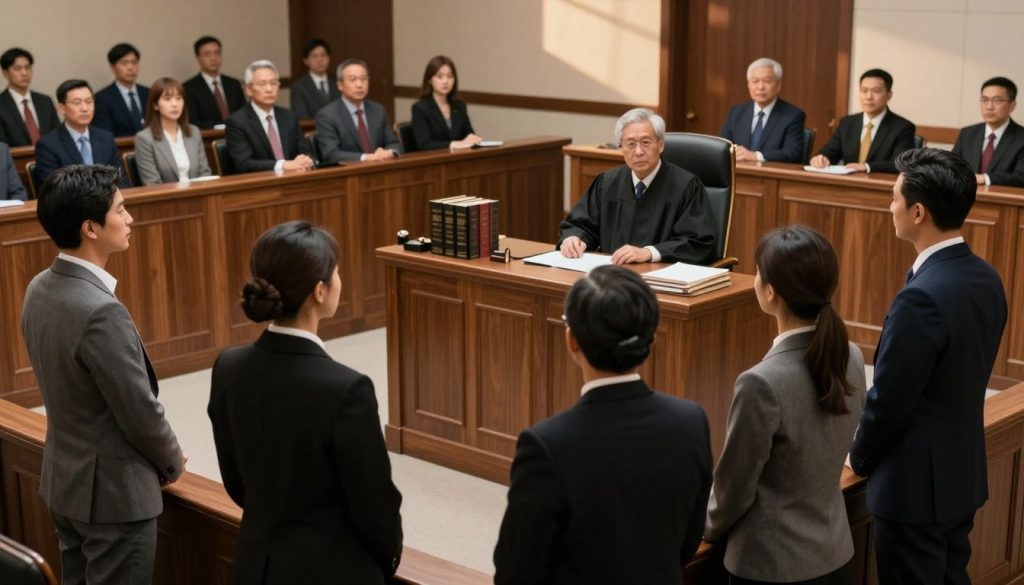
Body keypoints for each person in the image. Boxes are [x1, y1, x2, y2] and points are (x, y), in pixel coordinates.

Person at [208, 220, 403, 585]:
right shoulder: (347, 389)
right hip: (330, 570)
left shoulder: (228, 367)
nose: (339, 279)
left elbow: (236, 482)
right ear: (319, 291)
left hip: (256, 565)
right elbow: (375, 507)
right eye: (337, 272)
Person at [493, 264, 712, 584]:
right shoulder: (692, 421)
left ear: (572, 341)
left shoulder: (546, 445)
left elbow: (516, 571)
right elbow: (689, 539)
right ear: (650, 338)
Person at [20, 164, 185, 585]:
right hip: (115, 497)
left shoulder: (39, 286)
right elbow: (137, 410)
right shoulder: (101, 311)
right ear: (90, 227)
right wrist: (171, 462)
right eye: (121, 210)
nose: (130, 219)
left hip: (65, 482)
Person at [849, 148, 1007, 583]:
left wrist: (857, 457)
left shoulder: (922, 297)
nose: (890, 207)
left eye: (895, 198)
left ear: (918, 212)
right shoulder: (985, 276)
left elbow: (890, 400)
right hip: (961, 473)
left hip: (914, 490)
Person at [705, 225, 866, 584]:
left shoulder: (761, 382)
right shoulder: (852, 356)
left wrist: (708, 532)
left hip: (771, 567)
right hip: (835, 555)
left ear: (771, 292)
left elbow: (733, 488)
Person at [558, 108, 717, 264]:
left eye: (646, 143)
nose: (638, 151)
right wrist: (574, 239)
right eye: (630, 144)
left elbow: (698, 243)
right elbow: (580, 225)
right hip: (611, 275)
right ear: (620, 148)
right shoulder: (606, 183)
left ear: (660, 145)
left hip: (661, 279)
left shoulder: (686, 186)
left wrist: (650, 252)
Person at [811, 69, 916, 174]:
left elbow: (901, 163)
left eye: (876, 91)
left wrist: (867, 166)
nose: (869, 97)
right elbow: (830, 152)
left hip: (881, 186)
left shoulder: (902, 127)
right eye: (864, 91)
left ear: (889, 95)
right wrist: (821, 158)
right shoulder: (847, 123)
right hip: (848, 184)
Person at [226, 60, 314, 174]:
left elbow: (306, 152)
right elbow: (244, 163)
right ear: (248, 89)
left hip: (294, 178)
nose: (269, 89)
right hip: (260, 185)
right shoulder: (237, 122)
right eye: (262, 84)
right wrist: (284, 165)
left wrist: (305, 161)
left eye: (273, 83)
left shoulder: (289, 116)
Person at [34, 79, 123, 186]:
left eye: (89, 102)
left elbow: (121, 180)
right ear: (62, 108)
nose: (85, 108)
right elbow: (55, 189)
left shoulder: (106, 138)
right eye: (77, 102)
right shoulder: (48, 145)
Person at [720, 57, 805, 163]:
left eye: (767, 81)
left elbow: (792, 153)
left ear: (778, 85)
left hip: (772, 176)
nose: (760, 87)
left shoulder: (793, 115)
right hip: (738, 173)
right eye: (755, 81)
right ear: (748, 85)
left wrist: (756, 156)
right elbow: (721, 146)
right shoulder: (736, 112)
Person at [315, 58, 401, 162]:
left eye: (364, 79)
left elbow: (393, 142)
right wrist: (365, 158)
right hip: (349, 174)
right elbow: (331, 153)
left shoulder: (378, 110)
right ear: (340, 85)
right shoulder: (327, 115)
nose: (360, 85)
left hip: (380, 169)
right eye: (353, 79)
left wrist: (390, 152)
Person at [134, 77, 211, 184]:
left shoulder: (194, 132)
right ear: (155, 105)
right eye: (167, 99)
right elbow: (152, 183)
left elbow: (205, 173)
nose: (175, 104)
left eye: (179, 98)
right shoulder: (144, 138)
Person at [952, 76, 1024, 187]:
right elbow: (951, 167)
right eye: (984, 100)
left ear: (1012, 105)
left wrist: (985, 178)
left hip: (1003, 202)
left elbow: (1021, 177)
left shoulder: (1021, 138)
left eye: (997, 100)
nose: (989, 107)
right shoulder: (967, 134)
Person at [410, 55, 481, 151]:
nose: (445, 81)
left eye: (450, 76)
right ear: (430, 80)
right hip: (434, 161)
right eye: (440, 77)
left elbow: (469, 135)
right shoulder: (420, 108)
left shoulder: (459, 105)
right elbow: (424, 144)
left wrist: (474, 139)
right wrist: (454, 144)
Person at [0, 47, 60, 146]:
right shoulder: (2, 105)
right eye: (17, 68)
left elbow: (57, 135)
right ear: (5, 73)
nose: (24, 73)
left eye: (27, 68)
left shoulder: (45, 101)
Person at [183, 36, 246, 129]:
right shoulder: (188, 87)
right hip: (209, 138)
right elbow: (192, 122)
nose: (213, 58)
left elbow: (244, 113)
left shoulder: (234, 84)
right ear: (198, 58)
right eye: (207, 54)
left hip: (238, 136)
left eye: (217, 53)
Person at [94, 43, 149, 137]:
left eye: (134, 62)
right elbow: (104, 135)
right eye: (124, 63)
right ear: (113, 68)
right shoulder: (102, 98)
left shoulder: (148, 93)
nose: (130, 68)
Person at [290, 38, 340, 120]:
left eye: (323, 55)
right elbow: (302, 118)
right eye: (314, 56)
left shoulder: (338, 83)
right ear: (306, 61)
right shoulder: (298, 87)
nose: (320, 60)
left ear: (329, 58)